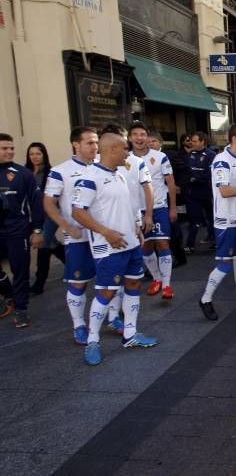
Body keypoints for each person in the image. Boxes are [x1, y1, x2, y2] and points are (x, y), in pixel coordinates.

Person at [72, 133, 159, 365]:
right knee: (107, 292)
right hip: (109, 248)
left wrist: (137, 227)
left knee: (133, 285)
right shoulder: (90, 177)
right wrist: (106, 232)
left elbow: (127, 205)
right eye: (124, 149)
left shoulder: (119, 173)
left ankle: (130, 334)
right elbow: (77, 212)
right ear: (111, 149)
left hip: (130, 243)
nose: (127, 153)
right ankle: (92, 341)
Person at [43, 127, 99, 344]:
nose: (95, 147)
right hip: (79, 237)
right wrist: (65, 226)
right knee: (78, 283)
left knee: (111, 280)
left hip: (104, 236)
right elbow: (49, 202)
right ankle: (79, 326)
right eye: (90, 143)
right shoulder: (60, 171)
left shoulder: (103, 166)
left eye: (96, 142)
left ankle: (113, 318)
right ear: (76, 144)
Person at [198, 124, 236, 321]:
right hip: (227, 221)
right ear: (234, 139)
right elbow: (224, 191)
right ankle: (206, 299)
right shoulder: (221, 161)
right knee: (225, 264)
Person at [129, 122, 178, 299]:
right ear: (130, 138)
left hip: (159, 207)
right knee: (146, 246)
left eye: (142, 134)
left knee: (163, 243)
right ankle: (156, 278)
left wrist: (173, 207)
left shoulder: (160, 156)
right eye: (135, 134)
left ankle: (166, 285)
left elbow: (170, 183)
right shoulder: (125, 159)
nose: (139, 138)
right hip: (137, 211)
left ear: (147, 137)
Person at [0, 134, 44, 328]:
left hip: (17, 230)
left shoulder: (23, 173)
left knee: (19, 269)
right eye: (4, 148)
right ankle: (8, 293)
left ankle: (21, 309)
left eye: (11, 148)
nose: (9, 151)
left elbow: (36, 204)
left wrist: (37, 229)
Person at [26, 142, 65, 295]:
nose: (35, 157)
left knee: (43, 243)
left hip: (51, 214)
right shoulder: (25, 172)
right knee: (51, 243)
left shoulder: (51, 172)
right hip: (34, 216)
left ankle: (39, 284)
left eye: (38, 153)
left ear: (44, 155)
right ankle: (71, 264)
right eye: (31, 154)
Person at [149, 132, 188, 268]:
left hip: (168, 197)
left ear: (160, 142)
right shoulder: (140, 158)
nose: (151, 144)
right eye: (149, 141)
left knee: (173, 229)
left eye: (153, 141)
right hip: (150, 201)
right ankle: (155, 263)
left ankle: (179, 256)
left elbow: (184, 170)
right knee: (152, 234)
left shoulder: (169, 155)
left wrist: (178, 186)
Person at [186, 131, 216, 253]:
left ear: (202, 141)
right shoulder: (190, 154)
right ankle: (190, 245)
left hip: (207, 192)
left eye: (194, 141)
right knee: (194, 219)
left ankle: (215, 241)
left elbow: (210, 174)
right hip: (193, 193)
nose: (191, 143)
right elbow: (186, 171)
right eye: (191, 141)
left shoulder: (211, 155)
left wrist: (196, 178)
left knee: (211, 218)